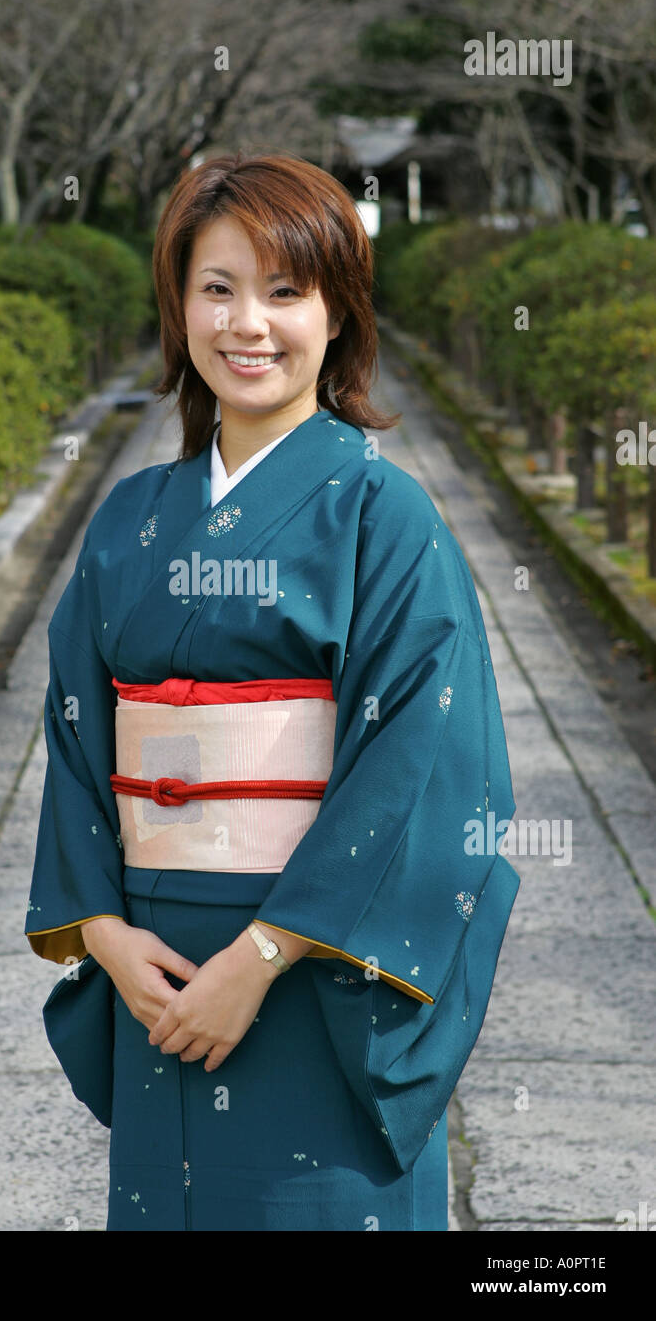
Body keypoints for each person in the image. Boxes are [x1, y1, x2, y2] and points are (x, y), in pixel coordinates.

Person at [25, 150, 520, 1232]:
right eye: (217, 288)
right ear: (178, 306)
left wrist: (260, 957)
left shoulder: (385, 523)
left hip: (315, 976)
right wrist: (102, 930)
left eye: (285, 291)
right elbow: (73, 734)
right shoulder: (126, 523)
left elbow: (421, 772)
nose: (247, 324)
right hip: (155, 968)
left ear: (337, 313)